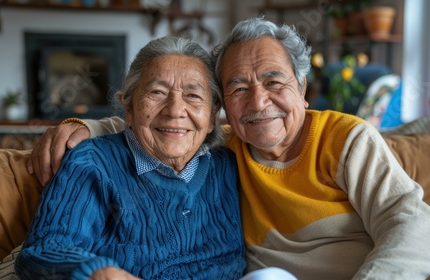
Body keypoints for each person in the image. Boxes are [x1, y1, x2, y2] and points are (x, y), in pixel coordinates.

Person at [28, 17, 430, 279]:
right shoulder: (222, 148)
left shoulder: (332, 140)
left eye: (274, 82)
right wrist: (84, 126)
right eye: (239, 87)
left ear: (303, 89)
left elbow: (413, 224)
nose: (258, 103)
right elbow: (169, 125)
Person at [15, 35, 247, 279]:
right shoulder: (91, 163)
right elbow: (43, 251)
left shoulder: (229, 165)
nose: (175, 111)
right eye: (157, 92)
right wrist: (98, 272)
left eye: (193, 96)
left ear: (212, 116)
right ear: (129, 108)